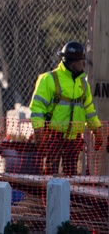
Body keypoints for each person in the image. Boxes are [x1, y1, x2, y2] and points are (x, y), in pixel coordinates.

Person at [30, 40, 103, 176]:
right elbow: (37, 109)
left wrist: (96, 130)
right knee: (50, 175)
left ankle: (68, 198)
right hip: (53, 137)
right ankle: (48, 197)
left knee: (71, 175)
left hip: (73, 139)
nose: (84, 64)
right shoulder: (49, 79)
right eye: (82, 60)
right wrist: (39, 131)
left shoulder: (83, 84)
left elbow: (89, 111)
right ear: (73, 62)